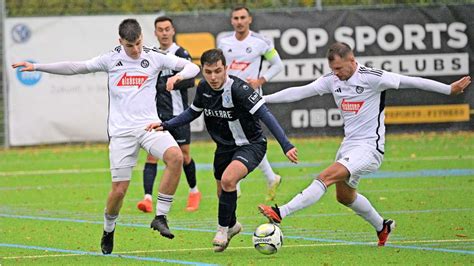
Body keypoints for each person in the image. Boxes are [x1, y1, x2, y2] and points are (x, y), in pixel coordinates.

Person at [12, 18, 200, 254]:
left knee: (176, 157)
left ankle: (160, 216)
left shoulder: (153, 56)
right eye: (130, 45)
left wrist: (178, 76)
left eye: (138, 43)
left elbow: (193, 67)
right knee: (119, 191)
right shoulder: (111, 59)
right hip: (121, 133)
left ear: (142, 37)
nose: (135, 50)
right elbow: (75, 67)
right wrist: (37, 66)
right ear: (120, 41)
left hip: (148, 127)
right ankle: (109, 229)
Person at [258, 42, 471, 246]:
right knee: (345, 197)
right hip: (349, 146)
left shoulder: (372, 77)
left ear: (352, 60)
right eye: (333, 69)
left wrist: (448, 89)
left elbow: (411, 81)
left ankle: (280, 212)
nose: (337, 73)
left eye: (339, 68)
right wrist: (263, 100)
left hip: (370, 148)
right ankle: (382, 226)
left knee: (325, 177)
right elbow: (299, 92)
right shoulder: (332, 79)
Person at [146, 48, 298, 252]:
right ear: (203, 70)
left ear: (225, 68)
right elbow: (192, 112)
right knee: (222, 191)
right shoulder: (203, 89)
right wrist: (166, 125)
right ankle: (233, 225)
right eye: (208, 72)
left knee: (228, 180)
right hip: (224, 147)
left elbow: (265, 114)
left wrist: (286, 145)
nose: (213, 76)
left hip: (251, 145)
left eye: (218, 71)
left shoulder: (239, 89)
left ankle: (221, 230)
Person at [218, 6, 284, 201]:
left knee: (244, 138)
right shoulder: (224, 42)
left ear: (250, 20)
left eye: (242, 18)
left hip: (249, 98)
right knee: (241, 138)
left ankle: (236, 183)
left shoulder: (260, 42)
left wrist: (260, 80)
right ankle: (270, 177)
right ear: (231, 21)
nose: (239, 21)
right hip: (227, 96)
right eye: (236, 18)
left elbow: (278, 65)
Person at [136, 16, 201, 214]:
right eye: (160, 30)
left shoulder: (180, 53)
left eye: (167, 29)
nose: (164, 33)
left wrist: (169, 83)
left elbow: (191, 81)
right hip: (156, 114)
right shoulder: (152, 55)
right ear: (155, 33)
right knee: (151, 156)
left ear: (173, 31)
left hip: (177, 114)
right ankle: (147, 198)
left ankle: (194, 191)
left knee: (184, 155)